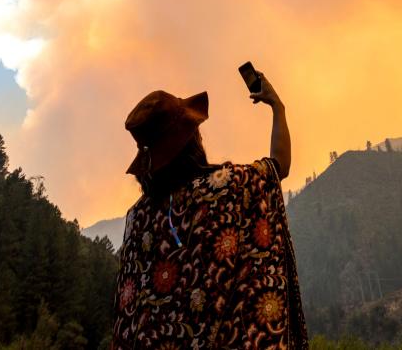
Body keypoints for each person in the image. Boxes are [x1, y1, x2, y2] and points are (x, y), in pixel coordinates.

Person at [111, 72, 307, 349]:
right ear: (192, 139)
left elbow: (129, 316)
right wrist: (278, 107)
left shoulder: (137, 218)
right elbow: (279, 165)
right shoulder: (227, 188)